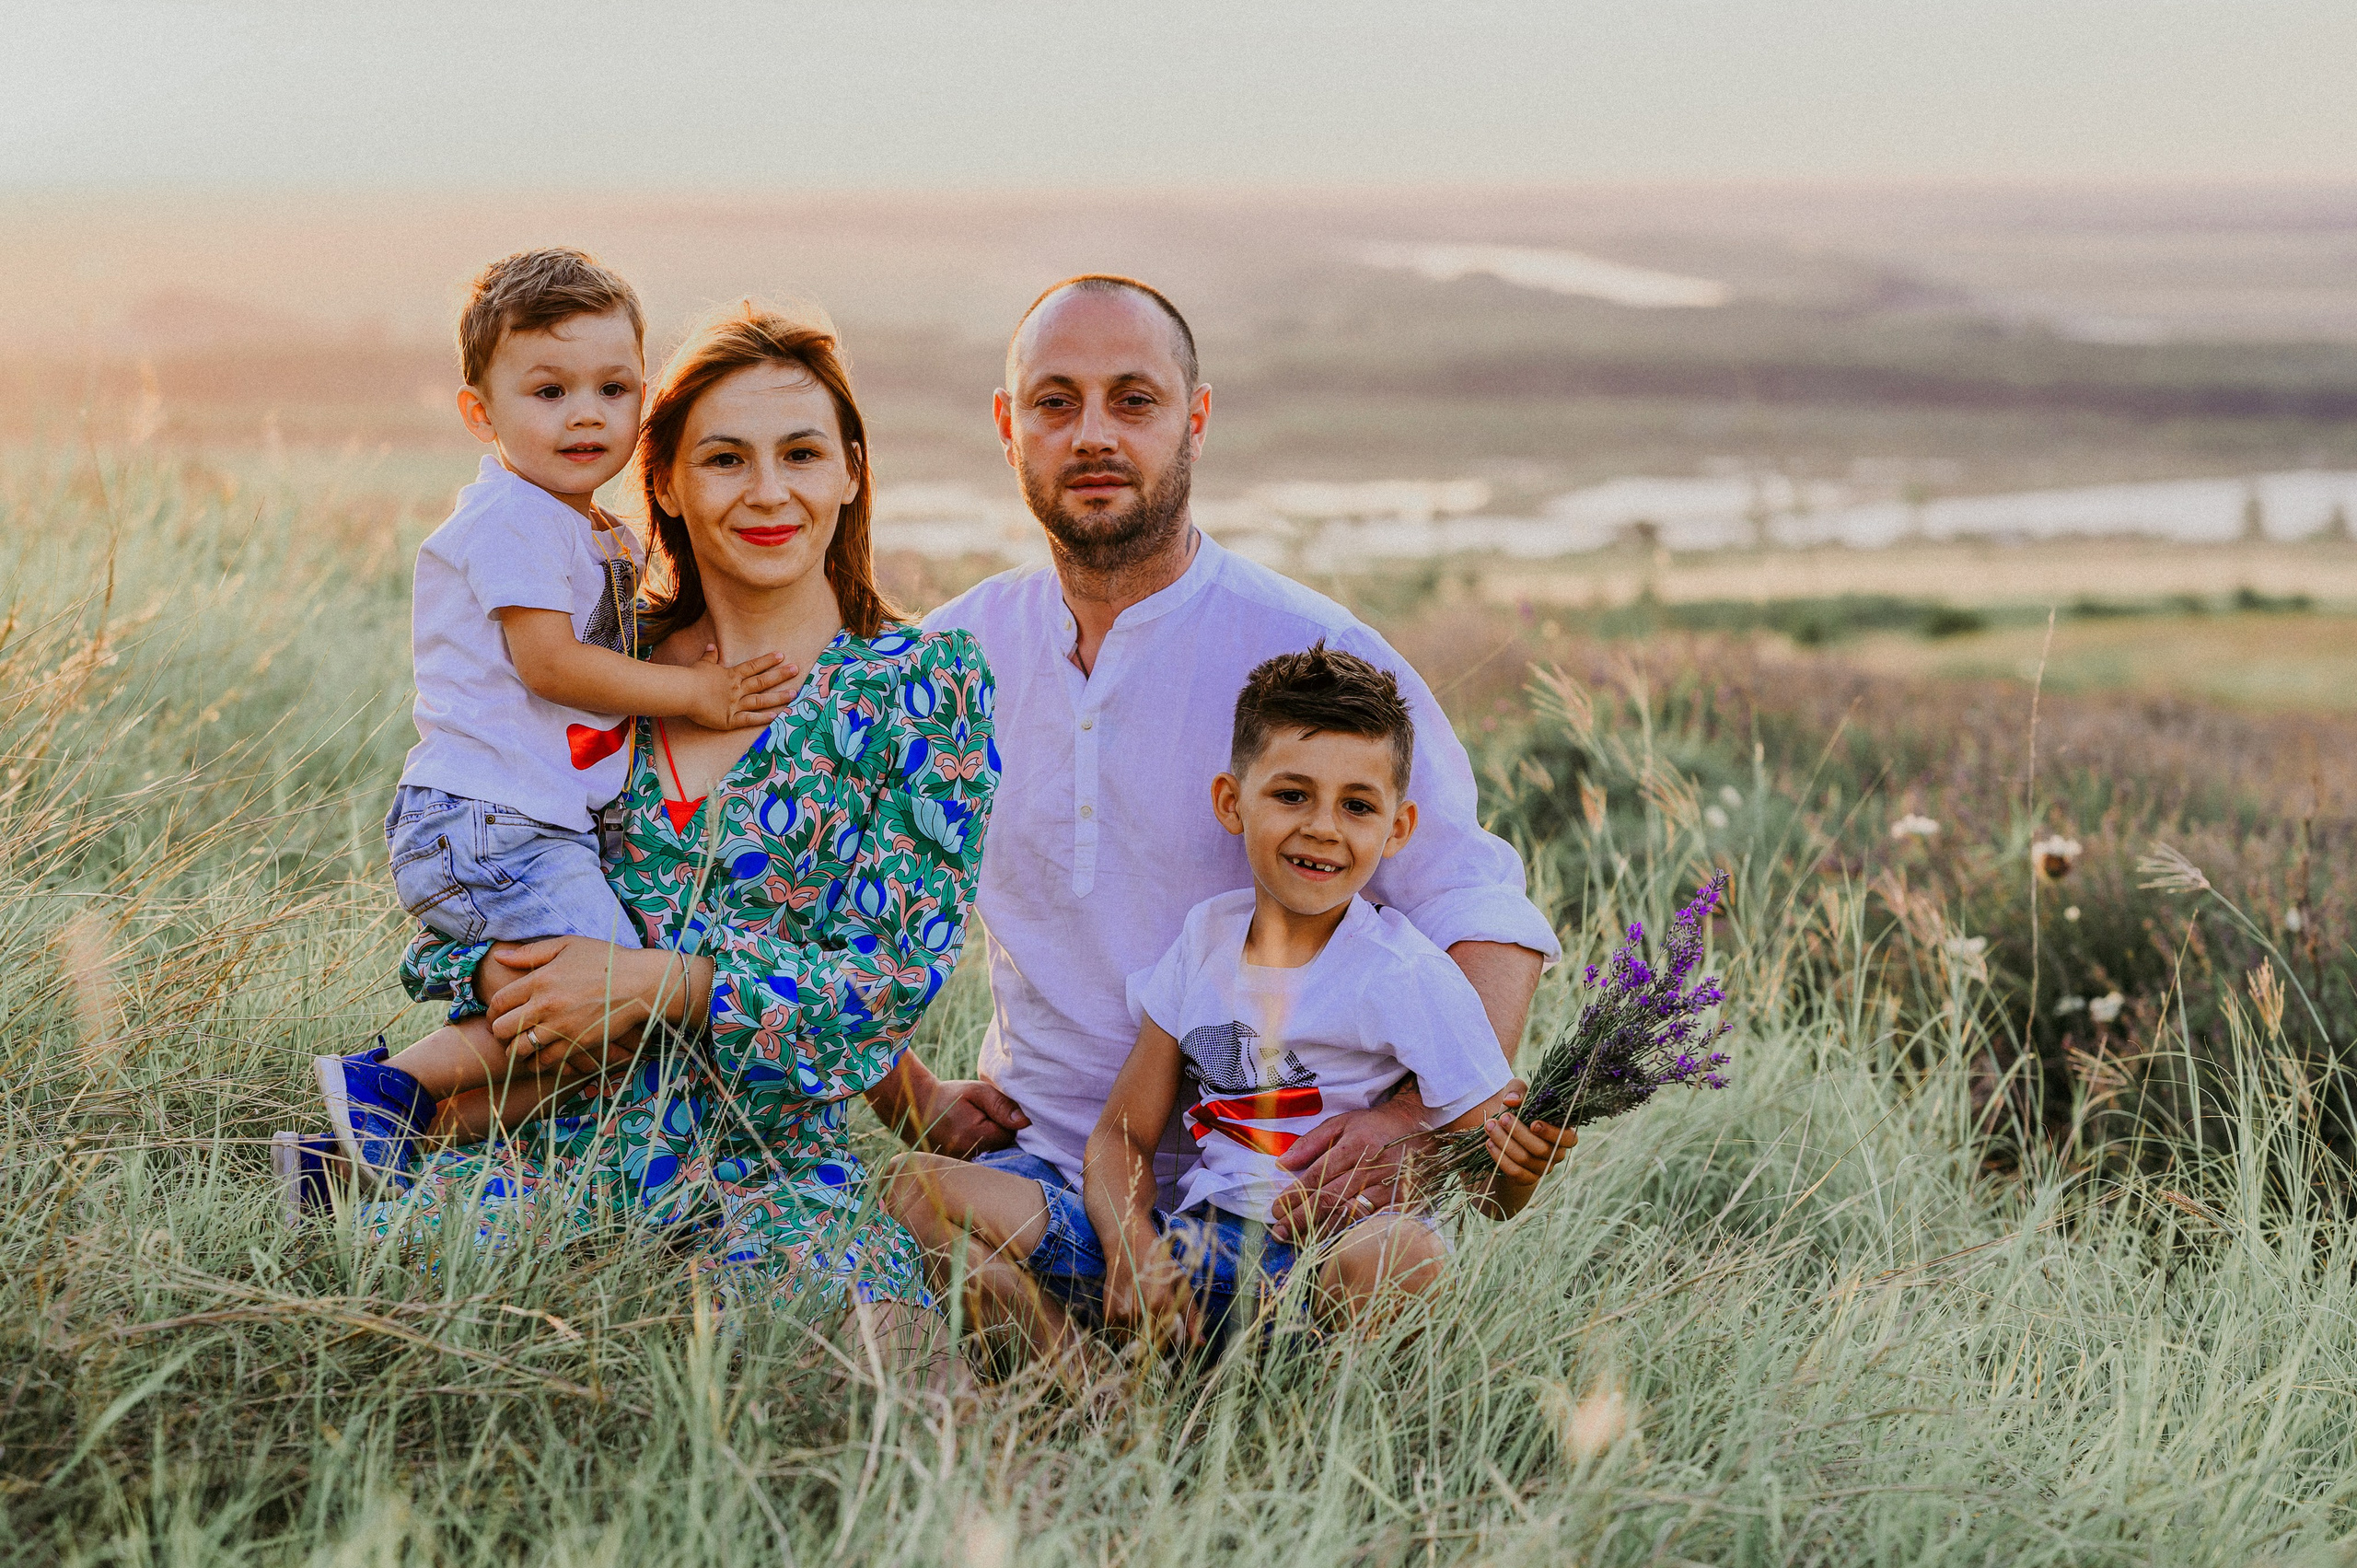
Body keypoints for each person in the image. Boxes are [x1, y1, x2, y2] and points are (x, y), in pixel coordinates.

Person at [276, 303, 997, 1341]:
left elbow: (883, 984)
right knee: (373, 1325)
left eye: (800, 453)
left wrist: (666, 983)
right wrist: (484, 973)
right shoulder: (598, 667)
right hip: (548, 1148)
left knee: (889, 1360)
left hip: (772, 1175)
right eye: (723, 458)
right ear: (663, 479)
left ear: (849, 469)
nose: (767, 490)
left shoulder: (920, 687)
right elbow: (478, 872)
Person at [871, 274, 1561, 1251]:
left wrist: (1411, 1126)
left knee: (1393, 1265)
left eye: (1134, 400)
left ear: (1195, 418)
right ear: (1007, 423)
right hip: (1043, 1163)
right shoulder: (950, 662)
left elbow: (1476, 906)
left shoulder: (1314, 649)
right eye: (1055, 401)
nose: (1093, 434)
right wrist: (910, 1094)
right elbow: (812, 905)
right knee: (909, 1220)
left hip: (1281, 1196)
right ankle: (1093, 1370)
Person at [887, 645, 1573, 1361]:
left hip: (1310, 1263)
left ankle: (1305, 1413)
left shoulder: (1408, 974)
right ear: (1231, 801)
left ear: (1397, 829)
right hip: (1188, 1248)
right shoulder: (1206, 939)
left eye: (1358, 805)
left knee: (1407, 1250)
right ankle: (1087, 1390)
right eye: (1291, 794)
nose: (1323, 827)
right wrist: (1132, 1248)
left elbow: (1491, 1190)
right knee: (916, 1189)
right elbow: (1121, 1137)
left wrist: (1519, 1164)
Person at [311, 248, 801, 1177]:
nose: (586, 413)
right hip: (488, 822)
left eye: (612, 388)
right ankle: (395, 1088)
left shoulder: (581, 526)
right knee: (612, 997)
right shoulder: (512, 520)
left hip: (527, 825)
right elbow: (551, 664)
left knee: (606, 1039)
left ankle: (354, 1151)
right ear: (479, 413)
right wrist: (698, 691)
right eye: (548, 391)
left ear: (644, 398)